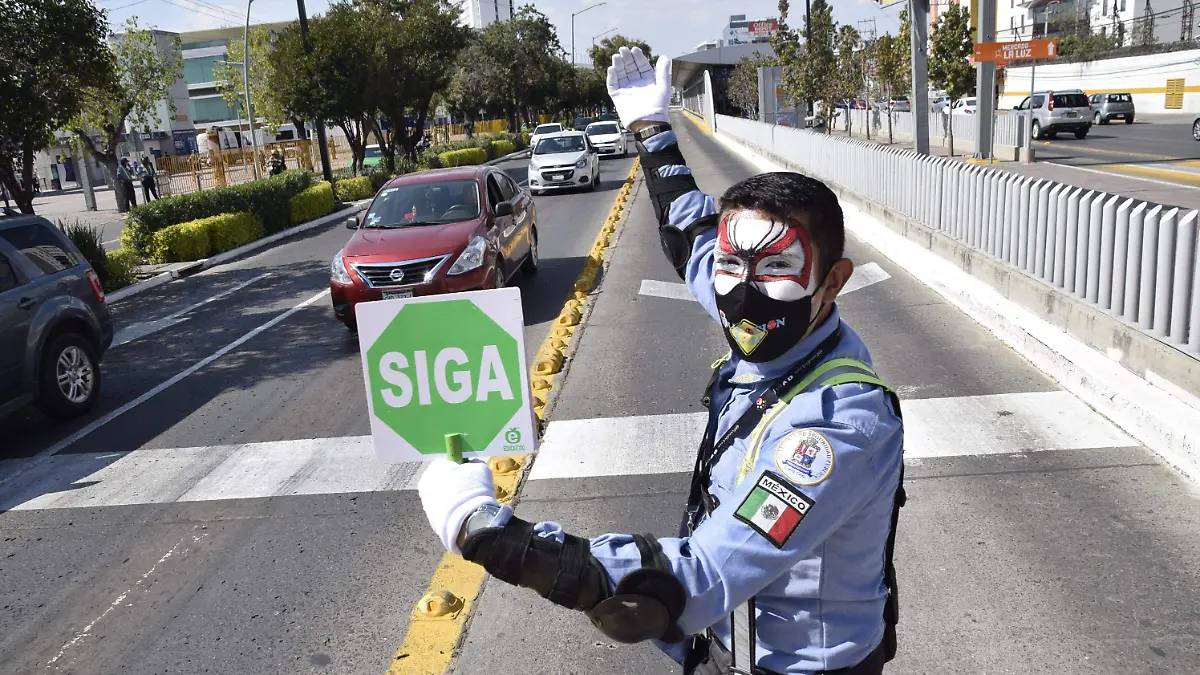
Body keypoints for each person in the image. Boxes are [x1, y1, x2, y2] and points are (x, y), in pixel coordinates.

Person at [417, 46, 905, 675]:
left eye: (777, 268)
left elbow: (684, 585)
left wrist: (484, 531)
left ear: (833, 280)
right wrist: (651, 128)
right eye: (734, 266)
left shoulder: (838, 427)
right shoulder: (773, 316)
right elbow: (693, 237)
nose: (740, 291)